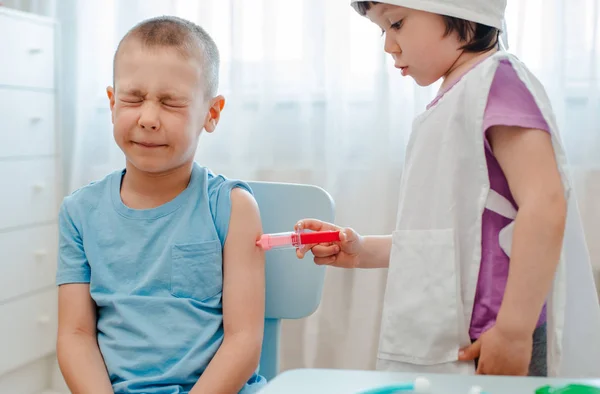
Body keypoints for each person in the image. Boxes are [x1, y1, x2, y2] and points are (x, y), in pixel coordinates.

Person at [296, 0, 600, 377]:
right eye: (383, 30)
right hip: (459, 339)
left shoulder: (496, 82)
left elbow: (546, 204)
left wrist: (513, 331)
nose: (389, 45)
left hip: (496, 336)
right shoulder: (451, 102)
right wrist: (362, 250)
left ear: (465, 14)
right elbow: (445, 242)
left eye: (397, 23)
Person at [55, 16, 267, 394]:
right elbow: (75, 334)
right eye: (133, 99)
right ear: (112, 102)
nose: (148, 118)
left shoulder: (234, 207)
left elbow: (244, 341)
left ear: (211, 113)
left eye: (171, 103)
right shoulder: (79, 212)